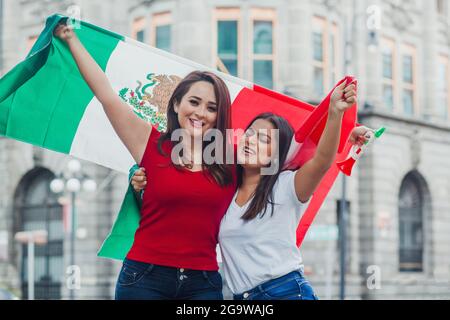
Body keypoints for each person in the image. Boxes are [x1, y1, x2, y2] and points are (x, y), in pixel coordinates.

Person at [132, 82, 372, 300]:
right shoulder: (224, 189)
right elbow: (179, 202)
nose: (252, 141)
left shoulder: (287, 186)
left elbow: (321, 161)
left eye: (265, 140)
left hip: (285, 291)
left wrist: (335, 114)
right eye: (249, 134)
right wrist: (141, 181)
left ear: (276, 155)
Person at [54, 22, 236, 300]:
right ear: (176, 104)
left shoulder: (231, 162)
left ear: (220, 115)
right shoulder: (149, 143)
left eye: (212, 108)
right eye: (194, 102)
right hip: (144, 279)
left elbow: (292, 156)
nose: (201, 113)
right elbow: (106, 95)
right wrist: (71, 39)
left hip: (204, 284)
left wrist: (329, 117)